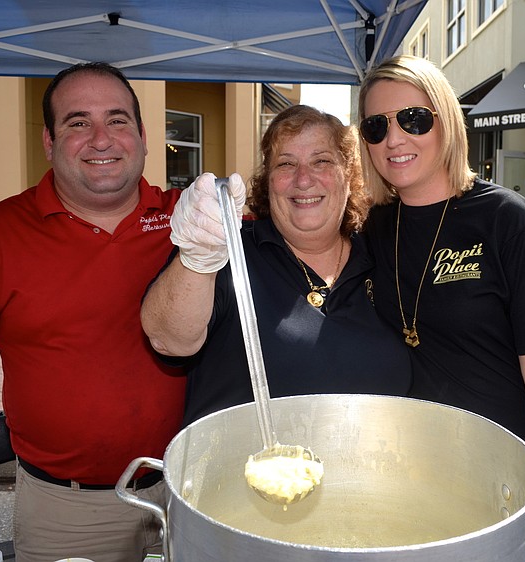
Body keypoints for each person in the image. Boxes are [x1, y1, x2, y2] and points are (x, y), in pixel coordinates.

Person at [0, 62, 186, 562]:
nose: (101, 139)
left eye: (117, 120)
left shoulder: (194, 221)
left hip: (196, 492)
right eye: (78, 123)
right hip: (66, 511)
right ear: (49, 142)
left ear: (143, 137)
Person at [357, 55, 525, 530]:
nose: (394, 138)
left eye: (413, 119)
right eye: (376, 126)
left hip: (505, 478)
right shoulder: (372, 227)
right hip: (414, 476)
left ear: (446, 121)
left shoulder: (507, 220)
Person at [141, 104, 411, 427]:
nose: (303, 179)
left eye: (321, 161)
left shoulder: (383, 256)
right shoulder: (227, 250)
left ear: (348, 174)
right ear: (267, 181)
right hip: (239, 473)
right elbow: (167, 338)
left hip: (368, 470)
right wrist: (196, 260)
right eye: (286, 164)